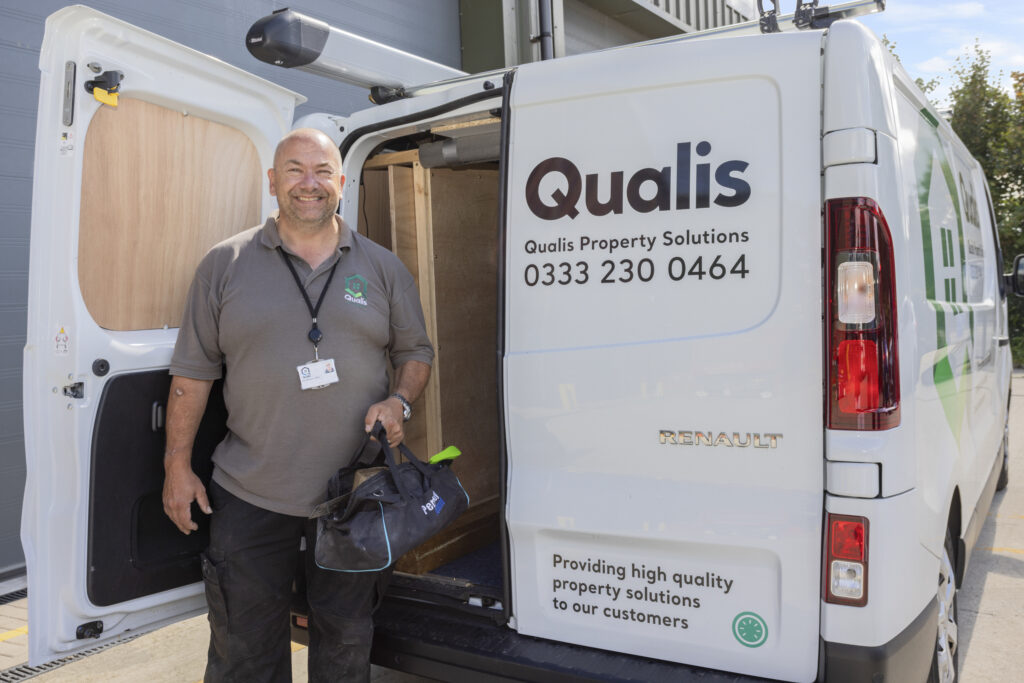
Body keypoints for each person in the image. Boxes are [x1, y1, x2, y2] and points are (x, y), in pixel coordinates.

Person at [161, 128, 433, 683]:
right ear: (272, 182)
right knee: (244, 653)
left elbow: (416, 351)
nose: (308, 184)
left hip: (354, 496)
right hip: (249, 493)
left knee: (344, 649)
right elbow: (193, 372)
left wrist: (399, 400)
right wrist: (176, 466)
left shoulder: (382, 268)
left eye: (322, 172)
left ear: (341, 182)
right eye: (293, 170)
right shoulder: (225, 264)